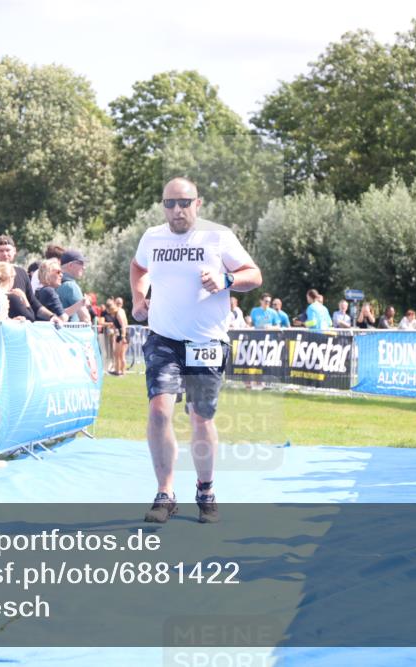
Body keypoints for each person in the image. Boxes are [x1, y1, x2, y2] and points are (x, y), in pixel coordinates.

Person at [130, 177, 261, 524]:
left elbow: (254, 274)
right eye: (170, 203)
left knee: (200, 417)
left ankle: (206, 489)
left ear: (198, 204)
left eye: (184, 202)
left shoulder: (218, 236)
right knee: (159, 412)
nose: (177, 210)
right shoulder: (152, 237)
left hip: (206, 342)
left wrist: (227, 281)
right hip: (163, 339)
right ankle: (165, 492)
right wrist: (139, 297)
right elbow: (138, 267)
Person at [58, 249, 90, 322]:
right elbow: (85, 318)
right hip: (71, 332)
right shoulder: (71, 286)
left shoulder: (53, 283)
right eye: (81, 263)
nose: (84, 267)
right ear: (70, 265)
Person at [103, 298, 129, 375]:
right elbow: (117, 325)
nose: (109, 313)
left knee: (121, 355)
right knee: (117, 354)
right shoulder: (117, 312)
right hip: (120, 335)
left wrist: (123, 337)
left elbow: (123, 326)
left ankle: (122, 372)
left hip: (123, 335)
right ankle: (118, 371)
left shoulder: (119, 313)